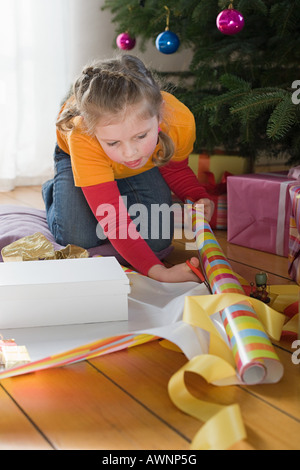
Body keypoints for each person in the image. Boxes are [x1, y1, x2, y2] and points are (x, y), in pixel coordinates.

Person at [42, 55, 214, 283]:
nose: (130, 153)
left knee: (157, 240)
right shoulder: (83, 135)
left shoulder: (179, 121)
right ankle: (56, 191)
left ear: (160, 114)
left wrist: (199, 197)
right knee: (79, 240)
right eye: (113, 143)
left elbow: (175, 169)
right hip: (78, 158)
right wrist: (160, 272)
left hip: (142, 167)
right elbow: (112, 219)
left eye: (141, 136)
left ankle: (115, 179)